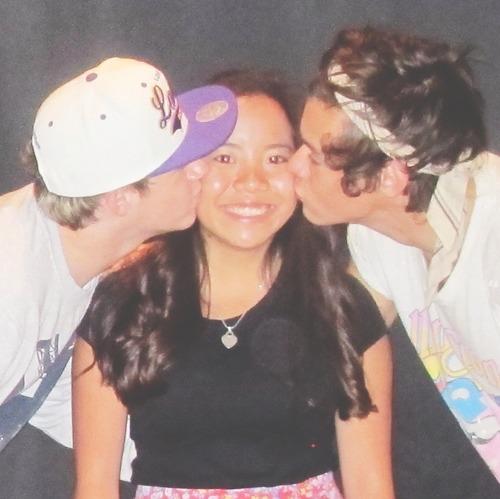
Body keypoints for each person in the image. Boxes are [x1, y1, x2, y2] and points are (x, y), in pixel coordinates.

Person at [73, 69, 394, 499]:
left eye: (275, 159)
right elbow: (94, 486)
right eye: (225, 159)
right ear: (189, 169)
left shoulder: (341, 307)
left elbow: (371, 485)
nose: (251, 182)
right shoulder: (125, 303)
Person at [0, 57, 237, 499]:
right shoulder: (10, 291)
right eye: (180, 162)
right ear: (119, 199)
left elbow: (52, 400)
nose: (202, 169)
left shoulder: (77, 260)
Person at [289, 25, 500, 493]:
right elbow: (335, 342)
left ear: (392, 175)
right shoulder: (379, 235)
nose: (294, 167)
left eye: (317, 157)